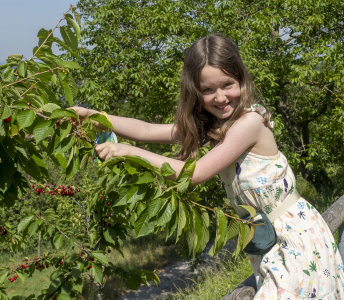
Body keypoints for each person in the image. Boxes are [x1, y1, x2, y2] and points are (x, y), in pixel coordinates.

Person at [71, 34, 344, 299]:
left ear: (241, 80)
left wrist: (127, 152)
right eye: (208, 90)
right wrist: (96, 116)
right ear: (196, 92)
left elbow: (196, 173)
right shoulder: (216, 126)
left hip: (294, 241)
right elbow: (147, 128)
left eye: (228, 84)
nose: (221, 97)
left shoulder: (249, 124)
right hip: (271, 243)